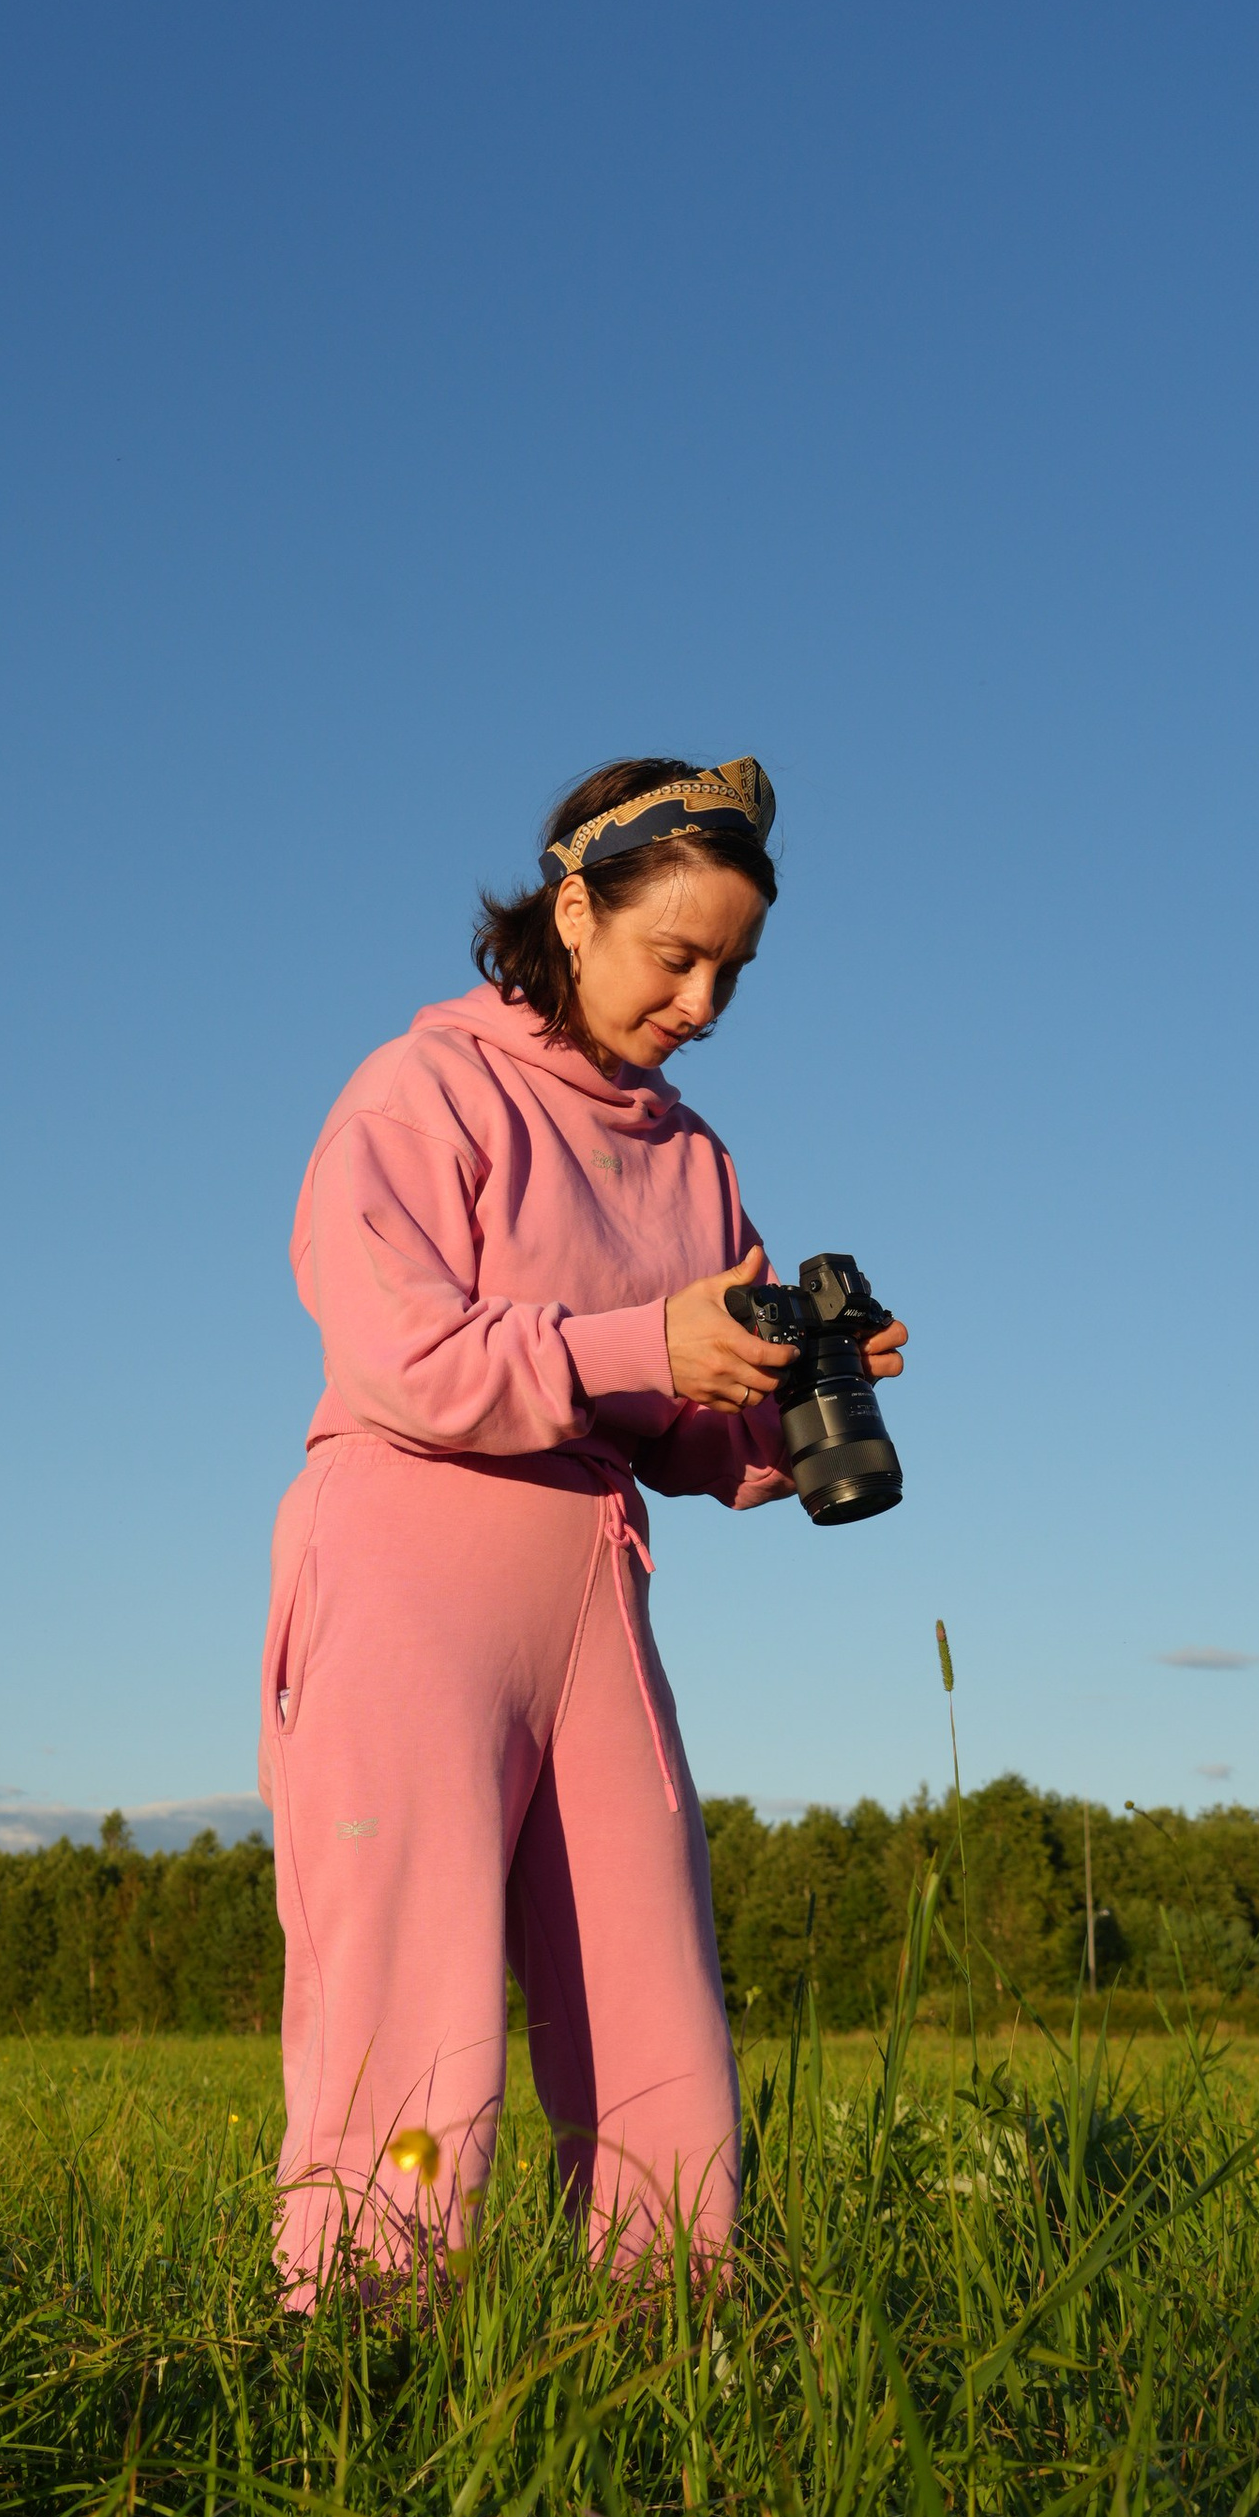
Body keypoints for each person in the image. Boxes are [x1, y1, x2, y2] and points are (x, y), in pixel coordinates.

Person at [261, 755, 905, 2307]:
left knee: (648, 1988)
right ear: (571, 909)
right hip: (411, 1564)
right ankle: (357, 2350)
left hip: (596, 1584)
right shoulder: (424, 1095)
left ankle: (672, 2344)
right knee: (409, 2001)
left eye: (732, 973)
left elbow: (684, 1434)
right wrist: (642, 1348)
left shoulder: (696, 1157)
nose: (700, 1001)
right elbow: (401, 1363)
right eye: (673, 956)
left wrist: (788, 1400)